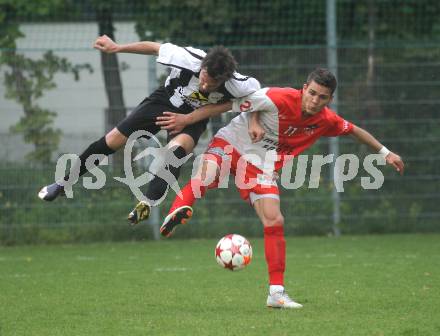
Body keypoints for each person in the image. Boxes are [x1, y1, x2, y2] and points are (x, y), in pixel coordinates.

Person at [155, 68, 405, 309]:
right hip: (232, 142)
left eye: (323, 97)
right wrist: (187, 120)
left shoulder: (326, 119)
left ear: (330, 99)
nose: (316, 100)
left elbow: (354, 130)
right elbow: (235, 103)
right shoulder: (279, 97)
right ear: (304, 88)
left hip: (261, 166)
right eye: (313, 93)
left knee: (275, 220)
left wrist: (385, 152)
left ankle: (276, 294)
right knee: (207, 174)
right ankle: (178, 209)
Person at [38, 35, 260, 225]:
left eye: (210, 85)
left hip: (193, 118)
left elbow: (258, 96)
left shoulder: (237, 84)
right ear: (202, 68)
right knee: (113, 140)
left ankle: (147, 202)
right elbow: (154, 47)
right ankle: (62, 182)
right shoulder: (187, 57)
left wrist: (254, 121)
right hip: (163, 102)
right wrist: (117, 48)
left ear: (222, 80)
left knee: (176, 152)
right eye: (203, 79)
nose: (204, 86)